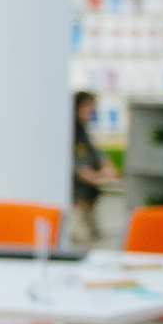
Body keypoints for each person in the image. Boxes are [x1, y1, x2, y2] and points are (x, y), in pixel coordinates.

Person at [72, 90, 118, 246]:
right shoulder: (69, 131)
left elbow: (96, 153)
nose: (91, 111)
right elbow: (75, 166)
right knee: (82, 240)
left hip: (89, 198)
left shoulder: (82, 131)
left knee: (95, 239)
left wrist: (106, 166)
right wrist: (95, 176)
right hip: (76, 199)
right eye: (87, 106)